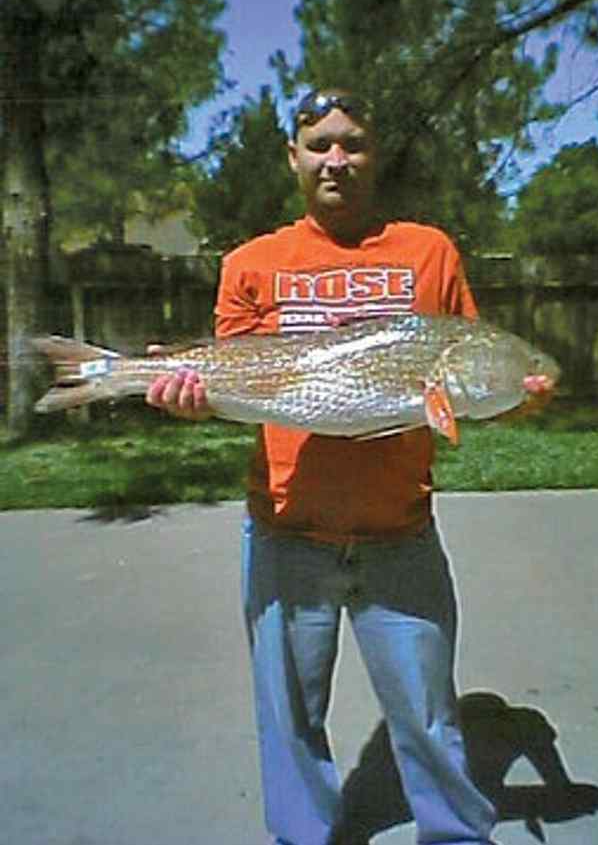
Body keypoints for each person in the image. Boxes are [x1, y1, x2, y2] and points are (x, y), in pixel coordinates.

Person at [147, 89, 504, 845]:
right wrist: (193, 396)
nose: (335, 158)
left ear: (375, 154)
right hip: (286, 533)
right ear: (294, 158)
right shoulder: (252, 263)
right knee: (290, 720)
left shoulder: (430, 251)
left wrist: (514, 393)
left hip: (399, 533)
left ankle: (457, 836)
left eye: (352, 143)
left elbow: (468, 367)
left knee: (430, 715)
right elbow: (236, 379)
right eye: (319, 145)